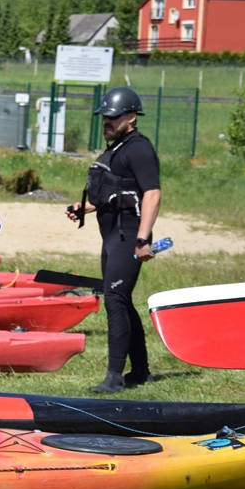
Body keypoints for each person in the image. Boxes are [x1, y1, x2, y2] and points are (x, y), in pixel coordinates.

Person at [65, 86, 161, 394]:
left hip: (128, 235)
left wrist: (143, 238)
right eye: (104, 117)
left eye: (112, 117)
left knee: (115, 299)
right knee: (121, 299)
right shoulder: (117, 148)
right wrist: (84, 207)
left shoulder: (139, 149)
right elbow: (114, 193)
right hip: (111, 237)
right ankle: (141, 371)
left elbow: (152, 193)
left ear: (131, 117)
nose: (106, 121)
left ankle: (114, 377)